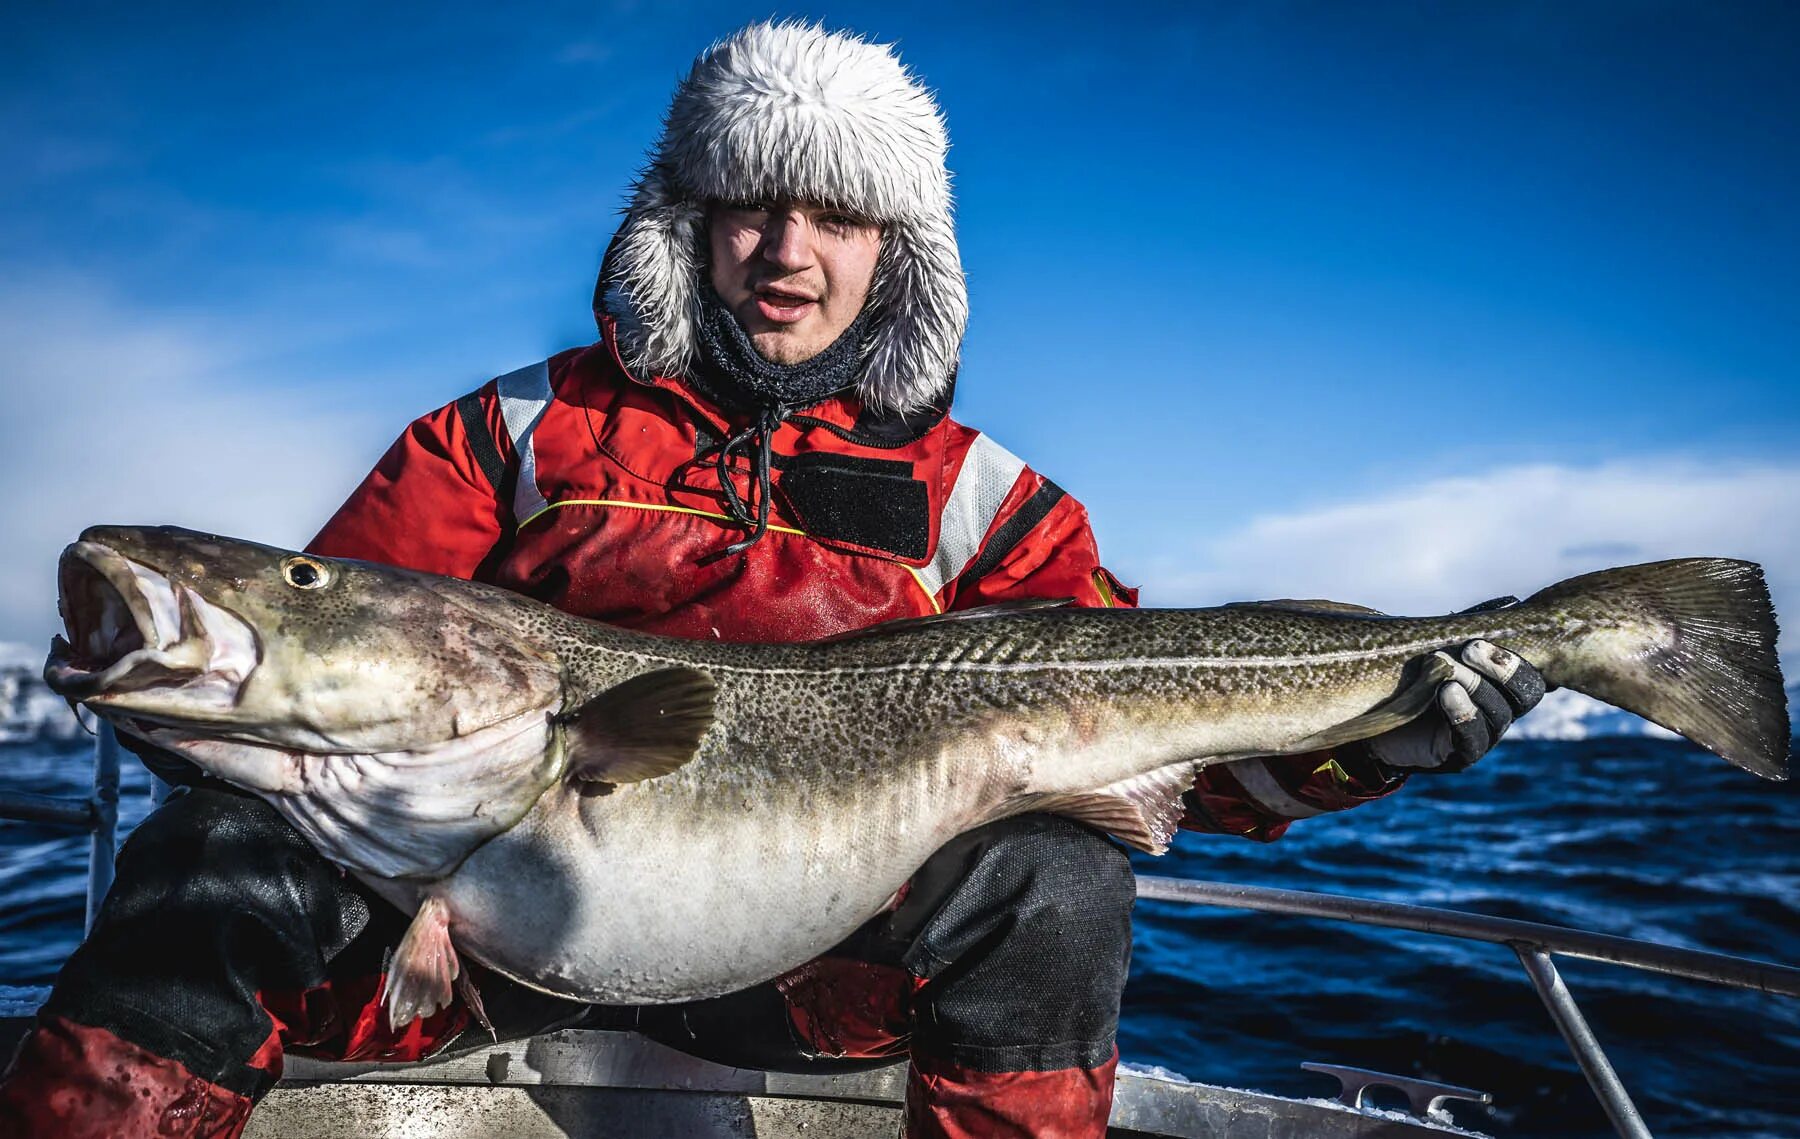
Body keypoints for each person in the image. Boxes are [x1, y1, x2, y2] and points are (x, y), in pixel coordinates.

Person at [0, 22, 1543, 1139]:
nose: (789, 249)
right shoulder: (509, 434)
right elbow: (327, 642)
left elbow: (1165, 774)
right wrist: (212, 713)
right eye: (751, 202)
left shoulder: (988, 507)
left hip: (824, 976)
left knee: (1057, 878)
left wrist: (1362, 747)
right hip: (460, 976)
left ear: (898, 251)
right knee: (218, 849)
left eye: (841, 213)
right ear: (689, 222)